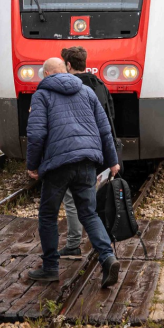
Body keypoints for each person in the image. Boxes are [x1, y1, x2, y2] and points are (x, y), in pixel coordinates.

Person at [26, 57, 121, 286]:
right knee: (89, 213)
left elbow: (36, 134)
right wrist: (113, 161)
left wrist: (32, 165)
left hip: (58, 164)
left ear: (46, 74)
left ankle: (50, 267)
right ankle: (108, 258)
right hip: (87, 161)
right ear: (66, 71)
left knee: (48, 215)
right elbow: (104, 129)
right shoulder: (87, 92)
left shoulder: (42, 94)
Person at [57, 46, 121, 258]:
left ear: (68, 65)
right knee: (93, 202)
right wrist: (112, 156)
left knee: (72, 200)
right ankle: (104, 247)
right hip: (99, 150)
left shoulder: (69, 88)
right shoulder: (100, 84)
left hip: (76, 153)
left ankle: (74, 244)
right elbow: (109, 119)